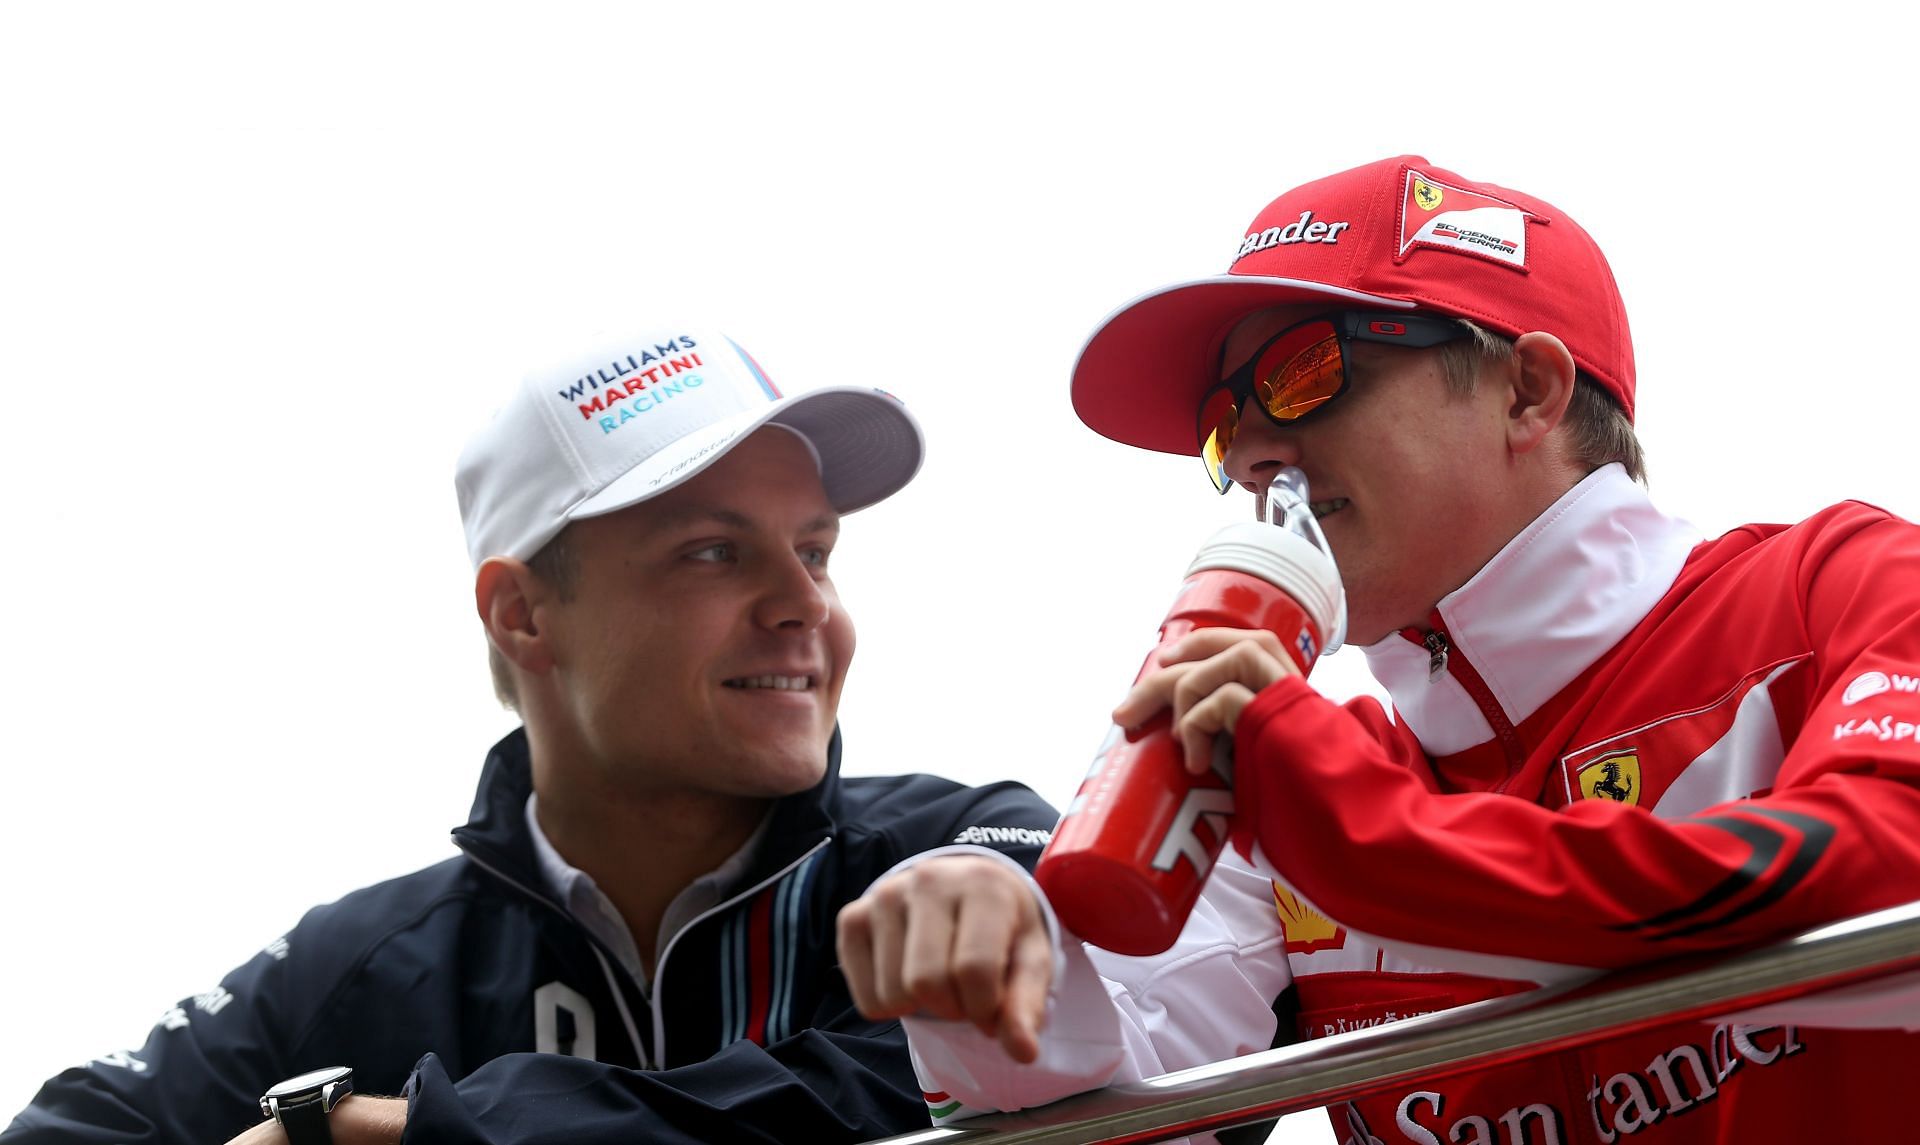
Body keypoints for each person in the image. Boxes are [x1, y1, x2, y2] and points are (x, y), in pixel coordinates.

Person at [837, 156, 1920, 1143]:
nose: (1254, 451)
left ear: (1529, 390)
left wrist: (1367, 829)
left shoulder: (1844, 581)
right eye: (1225, 422)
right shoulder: (1295, 767)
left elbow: (1888, 882)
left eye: (1307, 373)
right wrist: (994, 980)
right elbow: (1122, 1119)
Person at [6, 324, 1059, 1145]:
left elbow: (934, 1077)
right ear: (520, 613)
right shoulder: (363, 960)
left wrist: (422, 1129)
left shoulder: (968, 847)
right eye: (712, 552)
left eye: (816, 551)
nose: (805, 605)